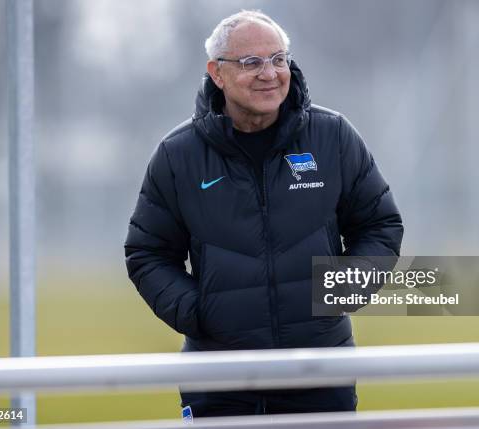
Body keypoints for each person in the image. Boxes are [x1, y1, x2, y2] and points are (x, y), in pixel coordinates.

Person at [124, 10, 403, 418]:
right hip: (220, 377)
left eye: (278, 59)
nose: (269, 73)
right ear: (217, 73)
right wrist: (199, 312)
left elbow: (380, 225)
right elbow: (147, 253)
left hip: (319, 370)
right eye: (251, 62)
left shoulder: (334, 136)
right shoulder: (177, 155)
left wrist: (339, 291)